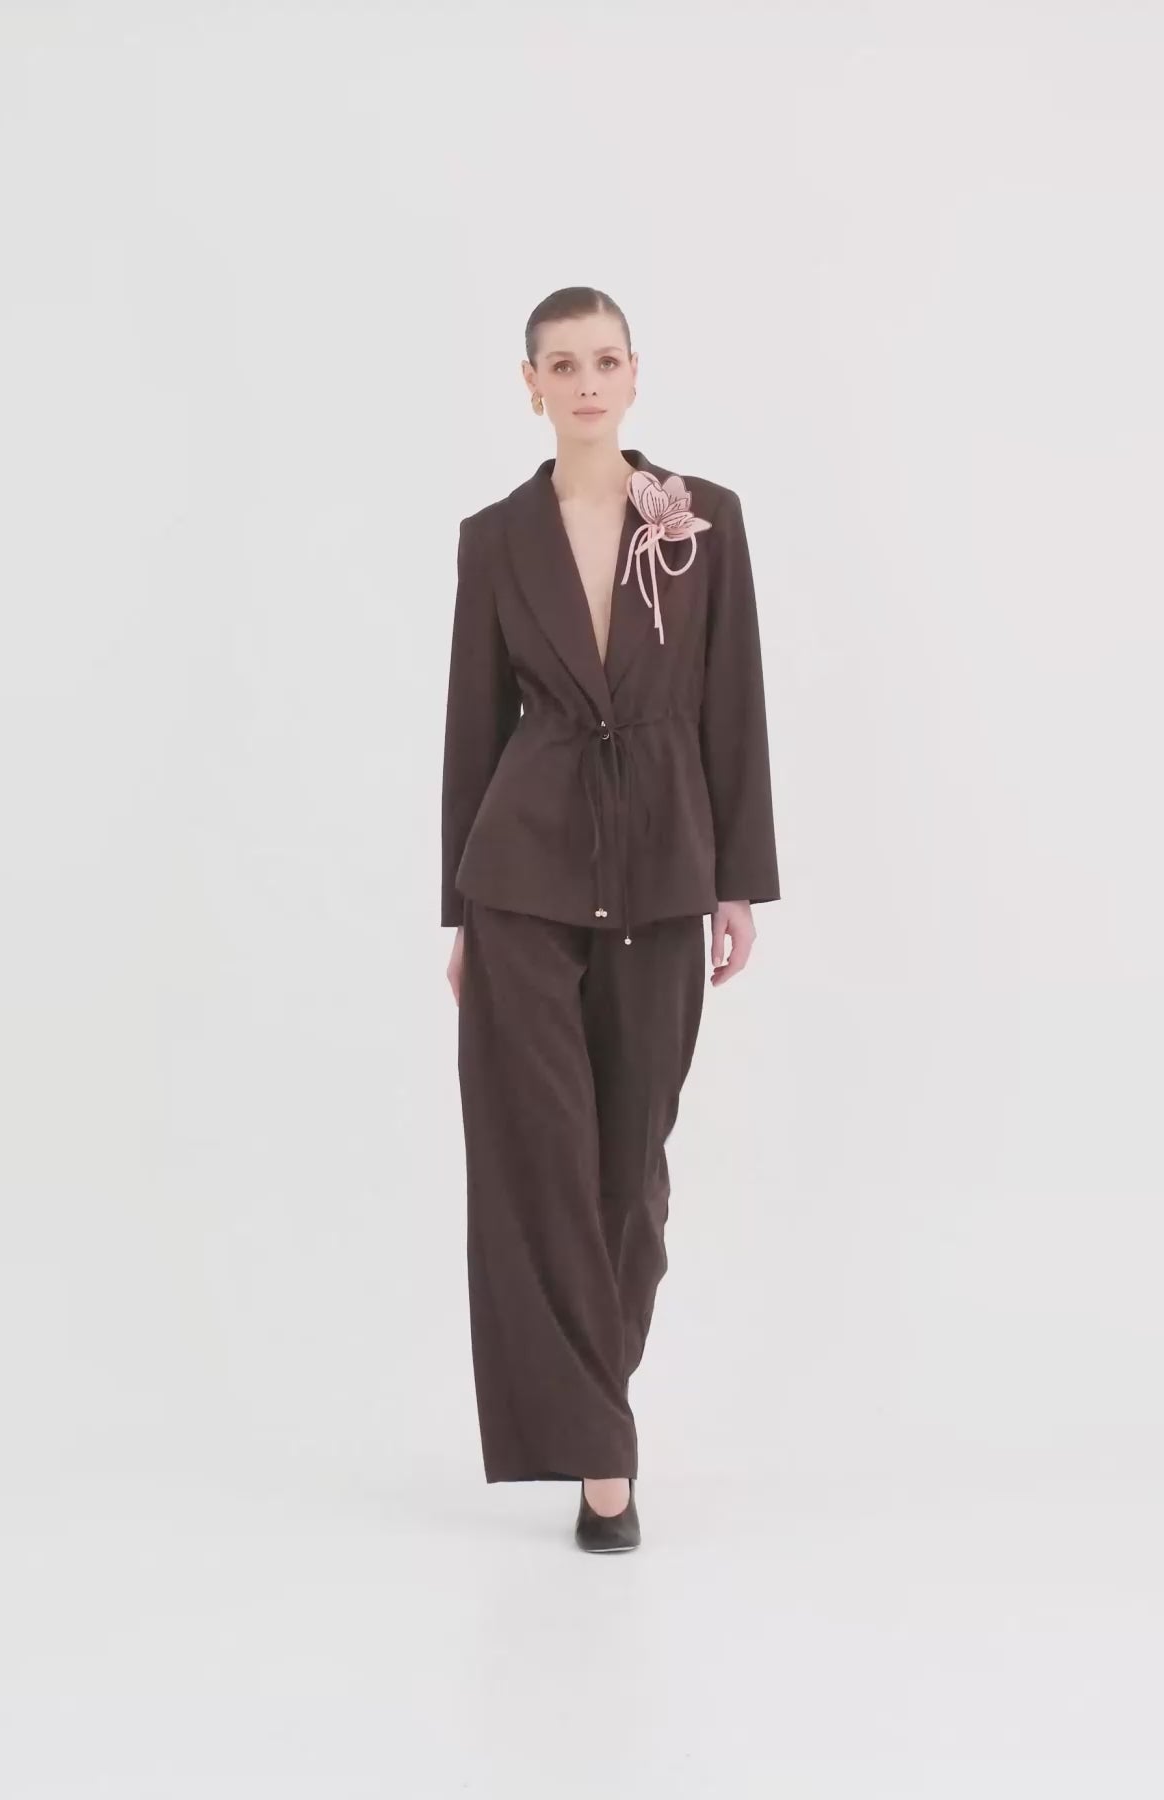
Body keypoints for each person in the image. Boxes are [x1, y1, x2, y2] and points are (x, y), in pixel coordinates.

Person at [440, 285, 780, 1552]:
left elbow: (732, 702)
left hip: (663, 875)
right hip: (519, 884)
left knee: (629, 1176)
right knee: (535, 1167)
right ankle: (604, 1463)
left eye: (605, 360)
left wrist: (737, 880)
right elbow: (474, 725)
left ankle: (593, 1413)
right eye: (562, 364)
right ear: (529, 385)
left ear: (635, 374)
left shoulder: (703, 520)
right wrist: (458, 915)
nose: (586, 382)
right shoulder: (493, 539)